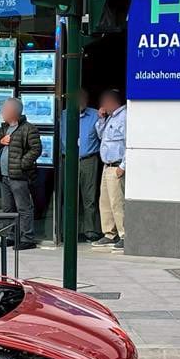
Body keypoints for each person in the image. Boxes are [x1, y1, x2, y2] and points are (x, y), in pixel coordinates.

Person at [0, 97, 41, 249]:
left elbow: (36, 149)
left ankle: (27, 238)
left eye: (5, 109)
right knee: (7, 208)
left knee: (23, 207)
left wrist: (22, 164)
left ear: (13, 112)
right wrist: (1, 141)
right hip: (4, 175)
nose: (2, 112)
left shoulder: (28, 128)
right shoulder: (4, 127)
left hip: (18, 175)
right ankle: (9, 235)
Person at [61, 88, 102, 241]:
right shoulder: (63, 116)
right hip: (67, 160)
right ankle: (67, 230)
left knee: (89, 198)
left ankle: (90, 230)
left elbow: (103, 135)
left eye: (83, 98)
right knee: (68, 197)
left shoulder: (96, 115)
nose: (81, 101)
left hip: (88, 160)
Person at [95, 89, 127, 251]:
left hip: (117, 166)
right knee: (105, 201)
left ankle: (123, 234)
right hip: (106, 166)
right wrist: (101, 119)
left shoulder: (125, 116)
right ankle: (109, 233)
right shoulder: (110, 118)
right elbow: (101, 136)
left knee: (117, 202)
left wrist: (123, 166)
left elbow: (130, 143)